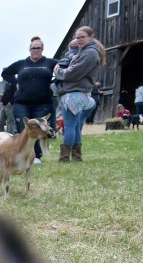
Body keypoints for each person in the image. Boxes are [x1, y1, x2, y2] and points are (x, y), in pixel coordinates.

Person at [2, 36, 57, 164]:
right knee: (24, 130)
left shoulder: (50, 63)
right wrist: (15, 82)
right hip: (22, 103)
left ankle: (37, 156)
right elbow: (5, 74)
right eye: (33, 48)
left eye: (38, 48)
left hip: (43, 102)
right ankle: (24, 154)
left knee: (39, 129)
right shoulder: (21, 64)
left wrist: (55, 82)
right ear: (29, 49)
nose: (36, 50)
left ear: (42, 49)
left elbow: (66, 68)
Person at [54, 26, 105, 162]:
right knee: (75, 126)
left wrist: (58, 72)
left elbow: (73, 73)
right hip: (78, 93)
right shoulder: (88, 51)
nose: (79, 40)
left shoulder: (90, 53)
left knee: (70, 126)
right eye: (77, 37)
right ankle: (76, 156)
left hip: (74, 94)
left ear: (91, 37)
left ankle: (64, 158)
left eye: (83, 37)